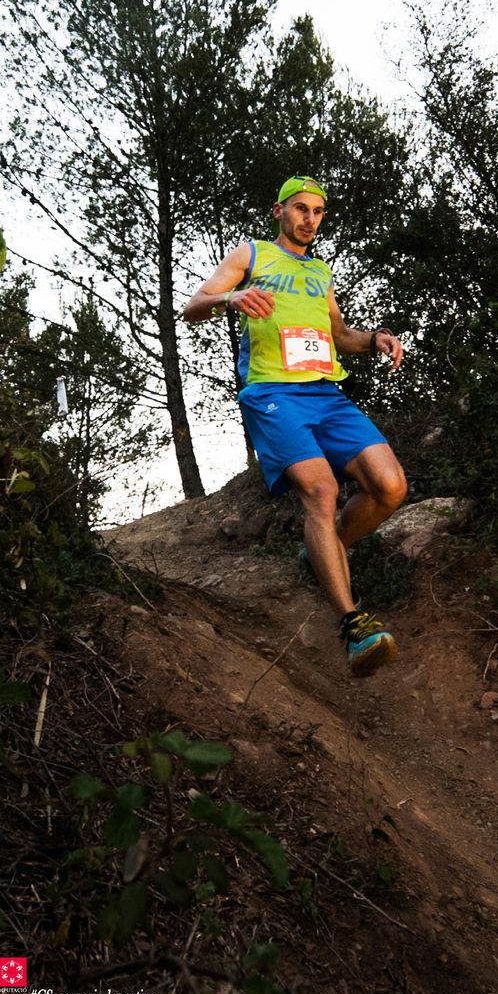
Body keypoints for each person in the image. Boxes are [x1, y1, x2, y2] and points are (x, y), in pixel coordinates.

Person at [181, 175, 406, 678]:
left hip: (325, 394)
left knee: (390, 486)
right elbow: (192, 306)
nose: (310, 218)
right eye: (301, 208)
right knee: (322, 492)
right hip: (273, 395)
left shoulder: (320, 272)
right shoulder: (252, 254)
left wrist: (375, 339)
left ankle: (321, 554)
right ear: (278, 210)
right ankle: (354, 628)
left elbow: (338, 334)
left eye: (318, 211)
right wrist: (230, 299)